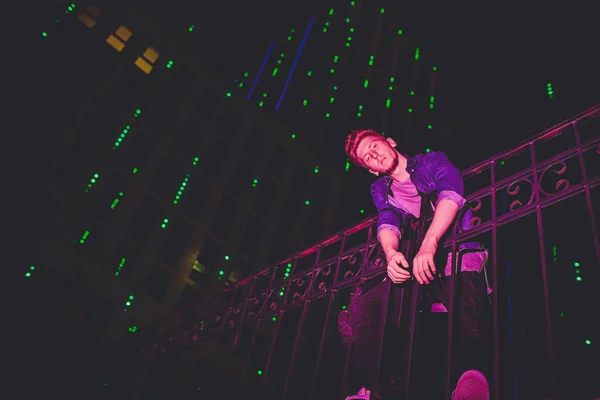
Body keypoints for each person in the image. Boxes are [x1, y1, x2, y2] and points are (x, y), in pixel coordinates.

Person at [342, 129, 491, 399]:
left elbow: (451, 192)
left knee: (465, 304)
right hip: (417, 263)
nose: (374, 155)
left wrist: (430, 243)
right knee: (368, 305)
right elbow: (387, 219)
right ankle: (371, 390)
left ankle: (473, 383)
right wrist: (391, 255)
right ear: (371, 170)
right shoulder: (380, 188)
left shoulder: (430, 161)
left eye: (374, 146)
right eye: (367, 158)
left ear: (390, 142)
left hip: (456, 248)